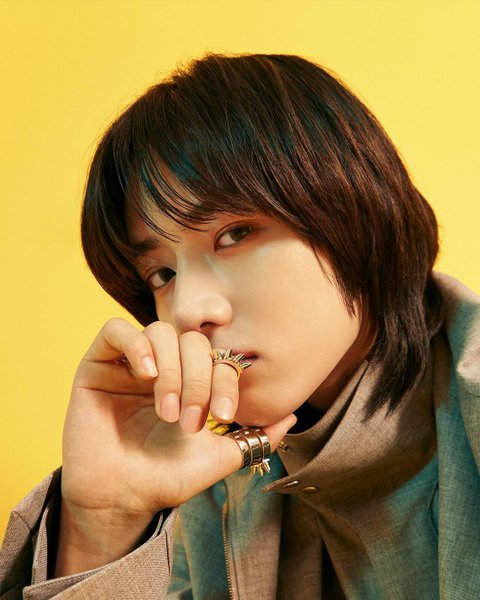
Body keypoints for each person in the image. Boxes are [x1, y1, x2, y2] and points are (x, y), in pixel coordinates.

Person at [1, 52, 479, 600]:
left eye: (235, 235)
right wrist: (102, 524)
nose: (188, 311)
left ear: (357, 210)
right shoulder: (206, 476)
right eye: (162, 274)